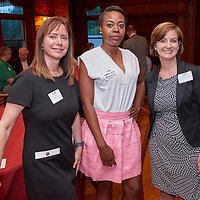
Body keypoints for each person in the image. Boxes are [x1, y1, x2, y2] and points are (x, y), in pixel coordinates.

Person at [0, 16, 82, 200]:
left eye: (64, 37)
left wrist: (78, 144)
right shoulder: (28, 80)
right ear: (42, 43)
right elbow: (4, 126)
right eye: (53, 36)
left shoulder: (69, 78)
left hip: (65, 159)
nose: (59, 42)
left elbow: (74, 113)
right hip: (41, 163)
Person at [79, 5, 145, 200]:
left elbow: (141, 81)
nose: (116, 30)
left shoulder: (131, 57)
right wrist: (101, 145)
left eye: (120, 25)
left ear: (125, 29)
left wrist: (138, 103)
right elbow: (86, 104)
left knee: (133, 187)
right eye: (110, 25)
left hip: (127, 128)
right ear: (100, 28)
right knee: (104, 188)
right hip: (101, 129)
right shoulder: (89, 59)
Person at [145, 22, 200, 200]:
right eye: (163, 41)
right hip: (160, 148)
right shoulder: (150, 77)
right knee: (165, 191)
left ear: (179, 45)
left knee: (192, 194)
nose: (168, 45)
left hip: (190, 148)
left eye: (173, 41)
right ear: (154, 46)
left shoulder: (194, 73)